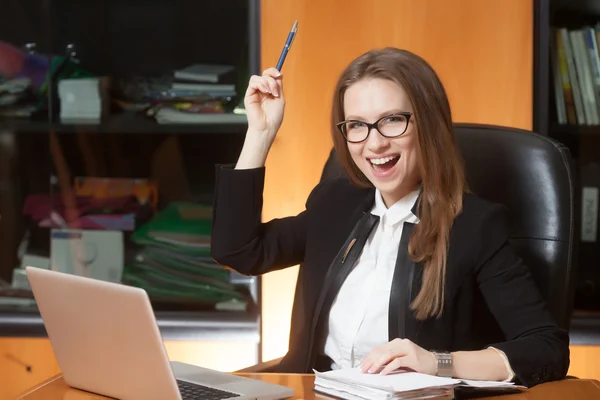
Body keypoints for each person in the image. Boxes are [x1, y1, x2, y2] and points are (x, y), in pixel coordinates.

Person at [210, 47, 569, 387]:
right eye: (356, 125)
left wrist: (437, 363)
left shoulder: (475, 226)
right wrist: (260, 133)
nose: (374, 143)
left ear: (428, 124)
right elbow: (239, 250)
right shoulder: (334, 203)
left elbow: (546, 347)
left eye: (392, 120)